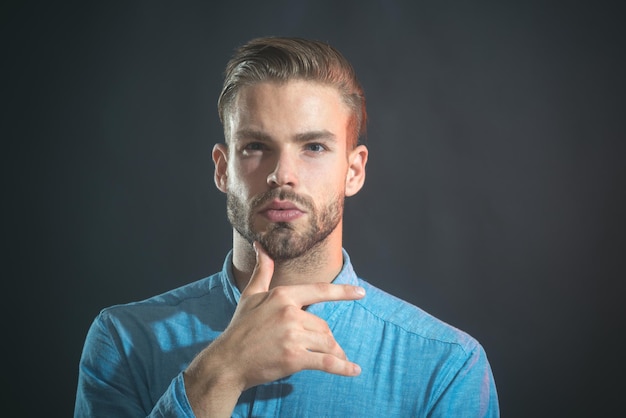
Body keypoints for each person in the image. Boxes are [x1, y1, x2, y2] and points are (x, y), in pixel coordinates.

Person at [74, 36, 499, 417]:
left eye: (313, 147)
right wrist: (221, 371)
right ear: (223, 170)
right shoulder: (124, 343)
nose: (282, 174)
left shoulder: (445, 367)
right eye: (257, 147)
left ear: (354, 171)